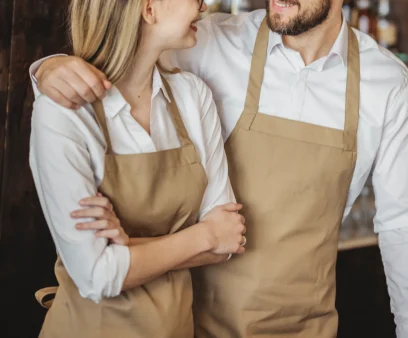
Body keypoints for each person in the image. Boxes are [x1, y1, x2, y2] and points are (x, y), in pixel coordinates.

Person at [31, 0, 408, 336]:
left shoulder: (386, 82)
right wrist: (47, 69)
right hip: (196, 324)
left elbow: (402, 220)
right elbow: (121, 48)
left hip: (304, 327)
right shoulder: (208, 40)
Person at [28, 0, 248, 337]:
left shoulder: (193, 97)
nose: (203, 5)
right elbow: (96, 276)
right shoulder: (63, 113)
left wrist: (127, 248)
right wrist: (205, 234)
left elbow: (229, 239)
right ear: (149, 9)